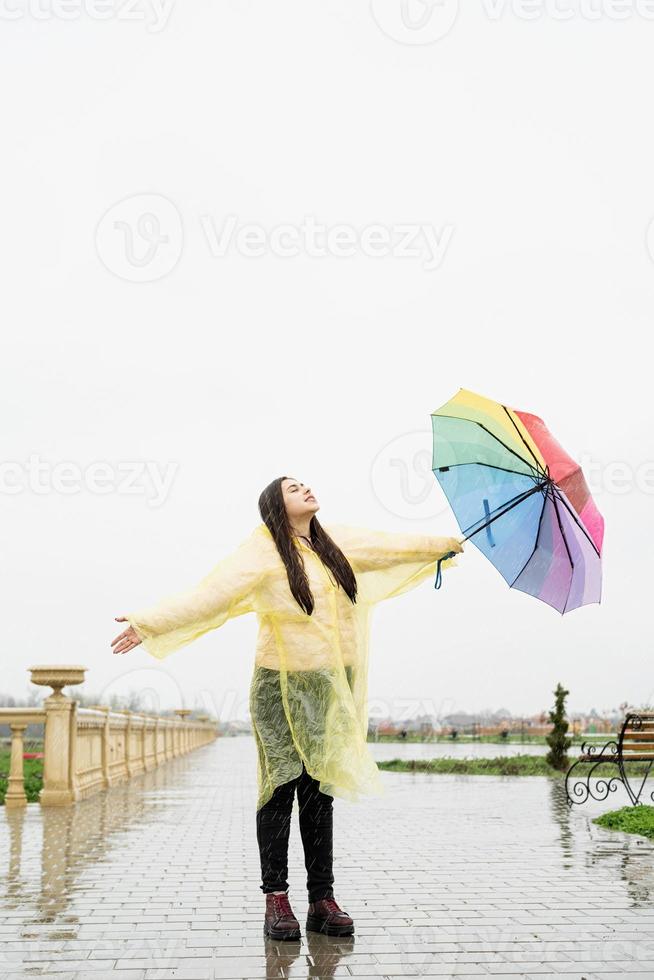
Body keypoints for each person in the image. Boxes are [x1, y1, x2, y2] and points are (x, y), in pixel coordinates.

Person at [111, 475, 463, 940]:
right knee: (280, 788)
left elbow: (390, 548)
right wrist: (148, 624)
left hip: (332, 683)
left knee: (320, 793)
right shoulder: (263, 551)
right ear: (276, 505)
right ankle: (276, 900)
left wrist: (445, 544)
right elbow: (211, 595)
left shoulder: (335, 543)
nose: (307, 489)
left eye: (307, 484)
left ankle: (322, 900)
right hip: (280, 683)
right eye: (295, 487)